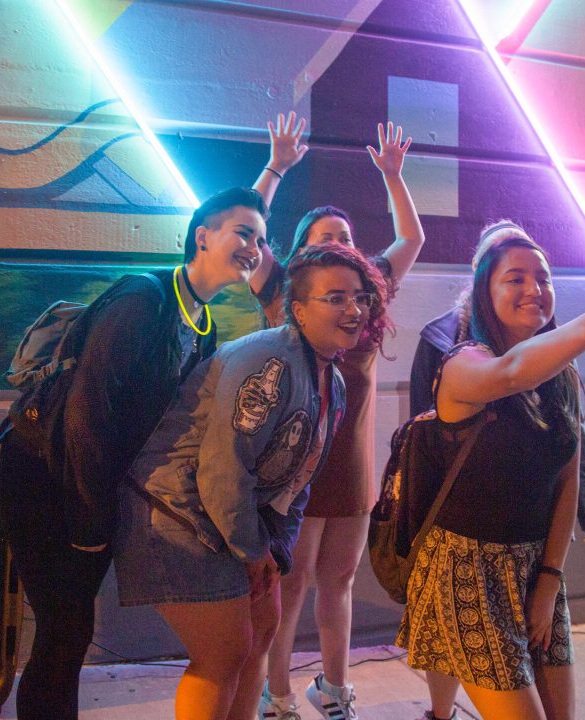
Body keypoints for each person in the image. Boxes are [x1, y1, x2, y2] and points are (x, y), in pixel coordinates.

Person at [0, 187, 268, 720]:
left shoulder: (202, 325)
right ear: (203, 235)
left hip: (87, 482)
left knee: (70, 628)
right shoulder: (144, 299)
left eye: (261, 238)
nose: (254, 247)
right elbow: (88, 412)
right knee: (64, 626)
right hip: (43, 472)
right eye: (243, 232)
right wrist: (90, 526)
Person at [113, 244, 394, 720]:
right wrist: (252, 550)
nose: (353, 309)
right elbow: (224, 471)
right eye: (336, 298)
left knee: (263, 626)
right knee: (223, 651)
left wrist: (274, 553)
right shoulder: (269, 363)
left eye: (360, 297)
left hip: (225, 518)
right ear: (299, 310)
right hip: (171, 514)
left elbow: (296, 484)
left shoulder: (334, 380)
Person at [395, 228, 585, 720]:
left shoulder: (559, 373)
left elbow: (566, 476)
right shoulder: (460, 364)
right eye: (514, 278)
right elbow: (510, 372)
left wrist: (547, 580)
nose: (533, 288)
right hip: (464, 569)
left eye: (543, 277)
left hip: (534, 566)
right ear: (484, 291)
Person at [249, 112, 425, 719]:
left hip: (349, 472)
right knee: (289, 587)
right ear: (301, 251)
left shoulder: (365, 295)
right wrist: (275, 167)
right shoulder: (283, 291)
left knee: (339, 585)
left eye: (344, 239)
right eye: (323, 238)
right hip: (292, 472)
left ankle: (335, 690)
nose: (336, 246)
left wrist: (393, 177)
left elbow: (411, 241)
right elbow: (248, 234)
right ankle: (277, 695)